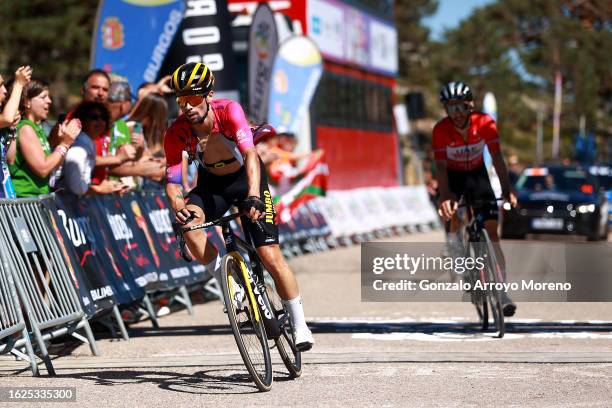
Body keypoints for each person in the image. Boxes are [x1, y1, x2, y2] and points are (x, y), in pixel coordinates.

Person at [164, 62, 314, 350]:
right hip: (212, 186)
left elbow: (251, 155)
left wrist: (254, 195)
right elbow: (172, 180)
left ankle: (299, 324)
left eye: (194, 99)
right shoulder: (176, 132)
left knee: (270, 256)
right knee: (187, 223)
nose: (188, 107)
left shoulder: (228, 110)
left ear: (209, 95)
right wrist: (177, 204)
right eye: (182, 100)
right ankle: (227, 280)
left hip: (246, 179)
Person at [433, 81, 517, 317]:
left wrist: (507, 189)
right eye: (451, 108)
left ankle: (501, 291)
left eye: (460, 107)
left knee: (492, 233)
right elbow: (440, 167)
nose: (456, 114)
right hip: (453, 176)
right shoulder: (440, 130)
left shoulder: (485, 124)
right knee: (450, 214)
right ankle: (455, 247)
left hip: (478, 175)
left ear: (470, 105)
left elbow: (498, 158)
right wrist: (446, 196)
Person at [9, 79, 81, 197]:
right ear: (27, 102)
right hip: (24, 199)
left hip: (37, 198)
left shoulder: (38, 128)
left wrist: (61, 143)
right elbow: (42, 169)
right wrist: (64, 144)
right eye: (43, 97)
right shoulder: (25, 128)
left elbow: (52, 166)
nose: (49, 101)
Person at [52, 102, 126, 196]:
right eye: (94, 117)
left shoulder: (87, 144)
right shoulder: (79, 148)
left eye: (103, 118)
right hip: (61, 203)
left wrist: (110, 187)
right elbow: (76, 187)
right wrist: (100, 189)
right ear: (83, 120)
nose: (100, 121)